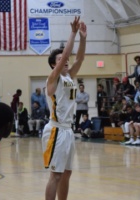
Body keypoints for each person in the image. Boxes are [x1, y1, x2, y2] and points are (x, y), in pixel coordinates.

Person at [42, 17, 86, 200]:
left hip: (68, 131)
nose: (65, 60)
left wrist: (83, 37)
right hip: (56, 131)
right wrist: (73, 33)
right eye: (61, 59)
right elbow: (68, 55)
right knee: (56, 175)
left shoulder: (69, 77)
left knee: (67, 173)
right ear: (55, 64)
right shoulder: (53, 78)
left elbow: (80, 58)